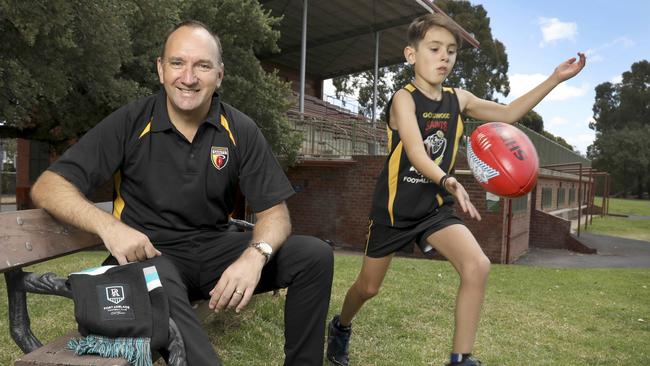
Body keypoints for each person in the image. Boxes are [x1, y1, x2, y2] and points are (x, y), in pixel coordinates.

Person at [31, 20, 334, 366]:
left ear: (219, 75)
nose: (188, 77)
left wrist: (255, 256)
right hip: (149, 255)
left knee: (314, 256)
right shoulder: (131, 121)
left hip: (215, 252)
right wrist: (108, 226)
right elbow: (49, 186)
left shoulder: (239, 129)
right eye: (177, 63)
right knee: (157, 276)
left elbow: (275, 214)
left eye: (202, 66)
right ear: (160, 69)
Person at [326, 13, 586, 366]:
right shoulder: (404, 99)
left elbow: (508, 113)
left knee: (477, 265)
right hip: (394, 209)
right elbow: (416, 153)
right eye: (434, 48)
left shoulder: (458, 99)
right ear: (411, 55)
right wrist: (449, 179)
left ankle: (460, 359)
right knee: (368, 288)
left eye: (450, 51)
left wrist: (554, 79)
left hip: (434, 208)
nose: (444, 57)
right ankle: (341, 326)